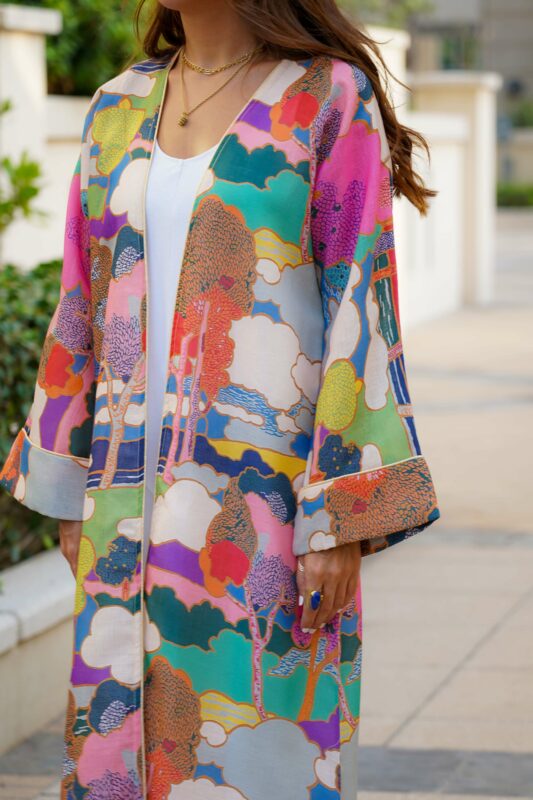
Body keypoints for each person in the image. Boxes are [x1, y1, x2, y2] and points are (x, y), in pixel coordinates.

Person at [0, 0, 441, 796]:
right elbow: (80, 302)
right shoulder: (116, 106)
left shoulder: (328, 97)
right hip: (123, 506)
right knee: (120, 747)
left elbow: (360, 306)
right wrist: (69, 490)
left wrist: (338, 517)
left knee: (256, 754)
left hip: (267, 504)